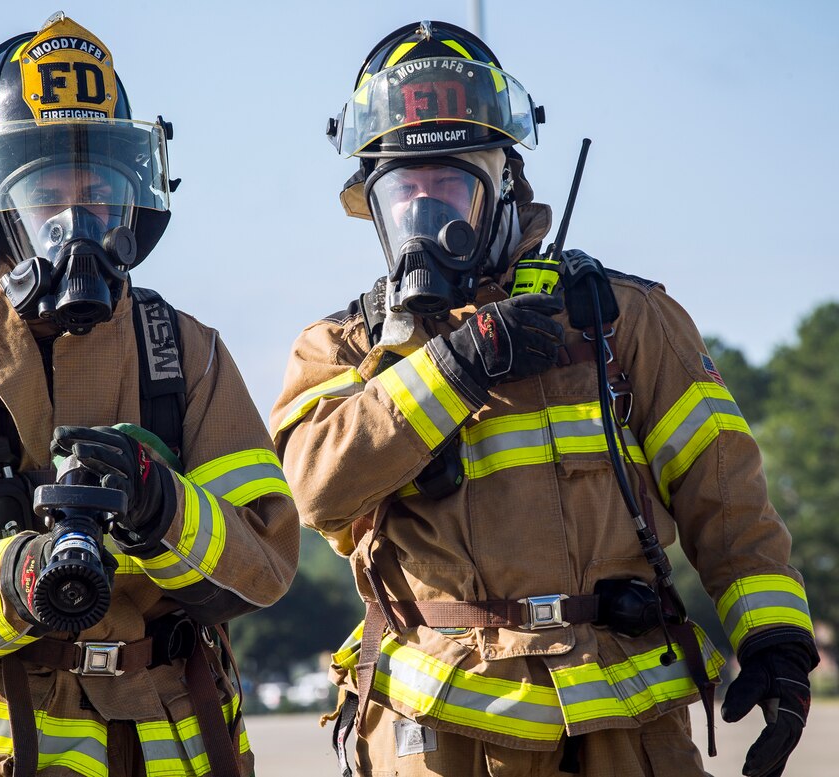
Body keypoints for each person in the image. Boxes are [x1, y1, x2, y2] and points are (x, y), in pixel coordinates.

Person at [270, 20, 817, 777]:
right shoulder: (343, 348)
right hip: (440, 736)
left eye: (451, 189)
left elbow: (726, 495)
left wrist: (774, 638)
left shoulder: (623, 319)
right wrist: (455, 367)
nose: (427, 216)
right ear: (375, 206)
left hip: (629, 730)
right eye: (407, 195)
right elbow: (312, 486)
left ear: (504, 187)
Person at [0, 12, 299, 777]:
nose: (77, 224)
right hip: (4, 746)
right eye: (47, 196)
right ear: (1, 212)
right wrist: (20, 575)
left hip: (167, 742)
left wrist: (160, 504)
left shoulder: (186, 355)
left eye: (97, 192)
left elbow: (262, 564)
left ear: (133, 199)